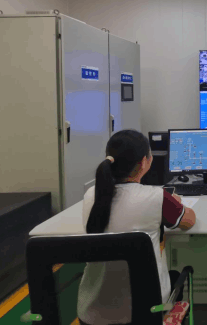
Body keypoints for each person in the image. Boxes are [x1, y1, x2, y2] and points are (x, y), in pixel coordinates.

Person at [78, 130, 196, 325]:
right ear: (143, 163)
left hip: (92, 313)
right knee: (175, 275)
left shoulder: (92, 194)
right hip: (148, 311)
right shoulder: (157, 197)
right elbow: (189, 221)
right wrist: (175, 202)